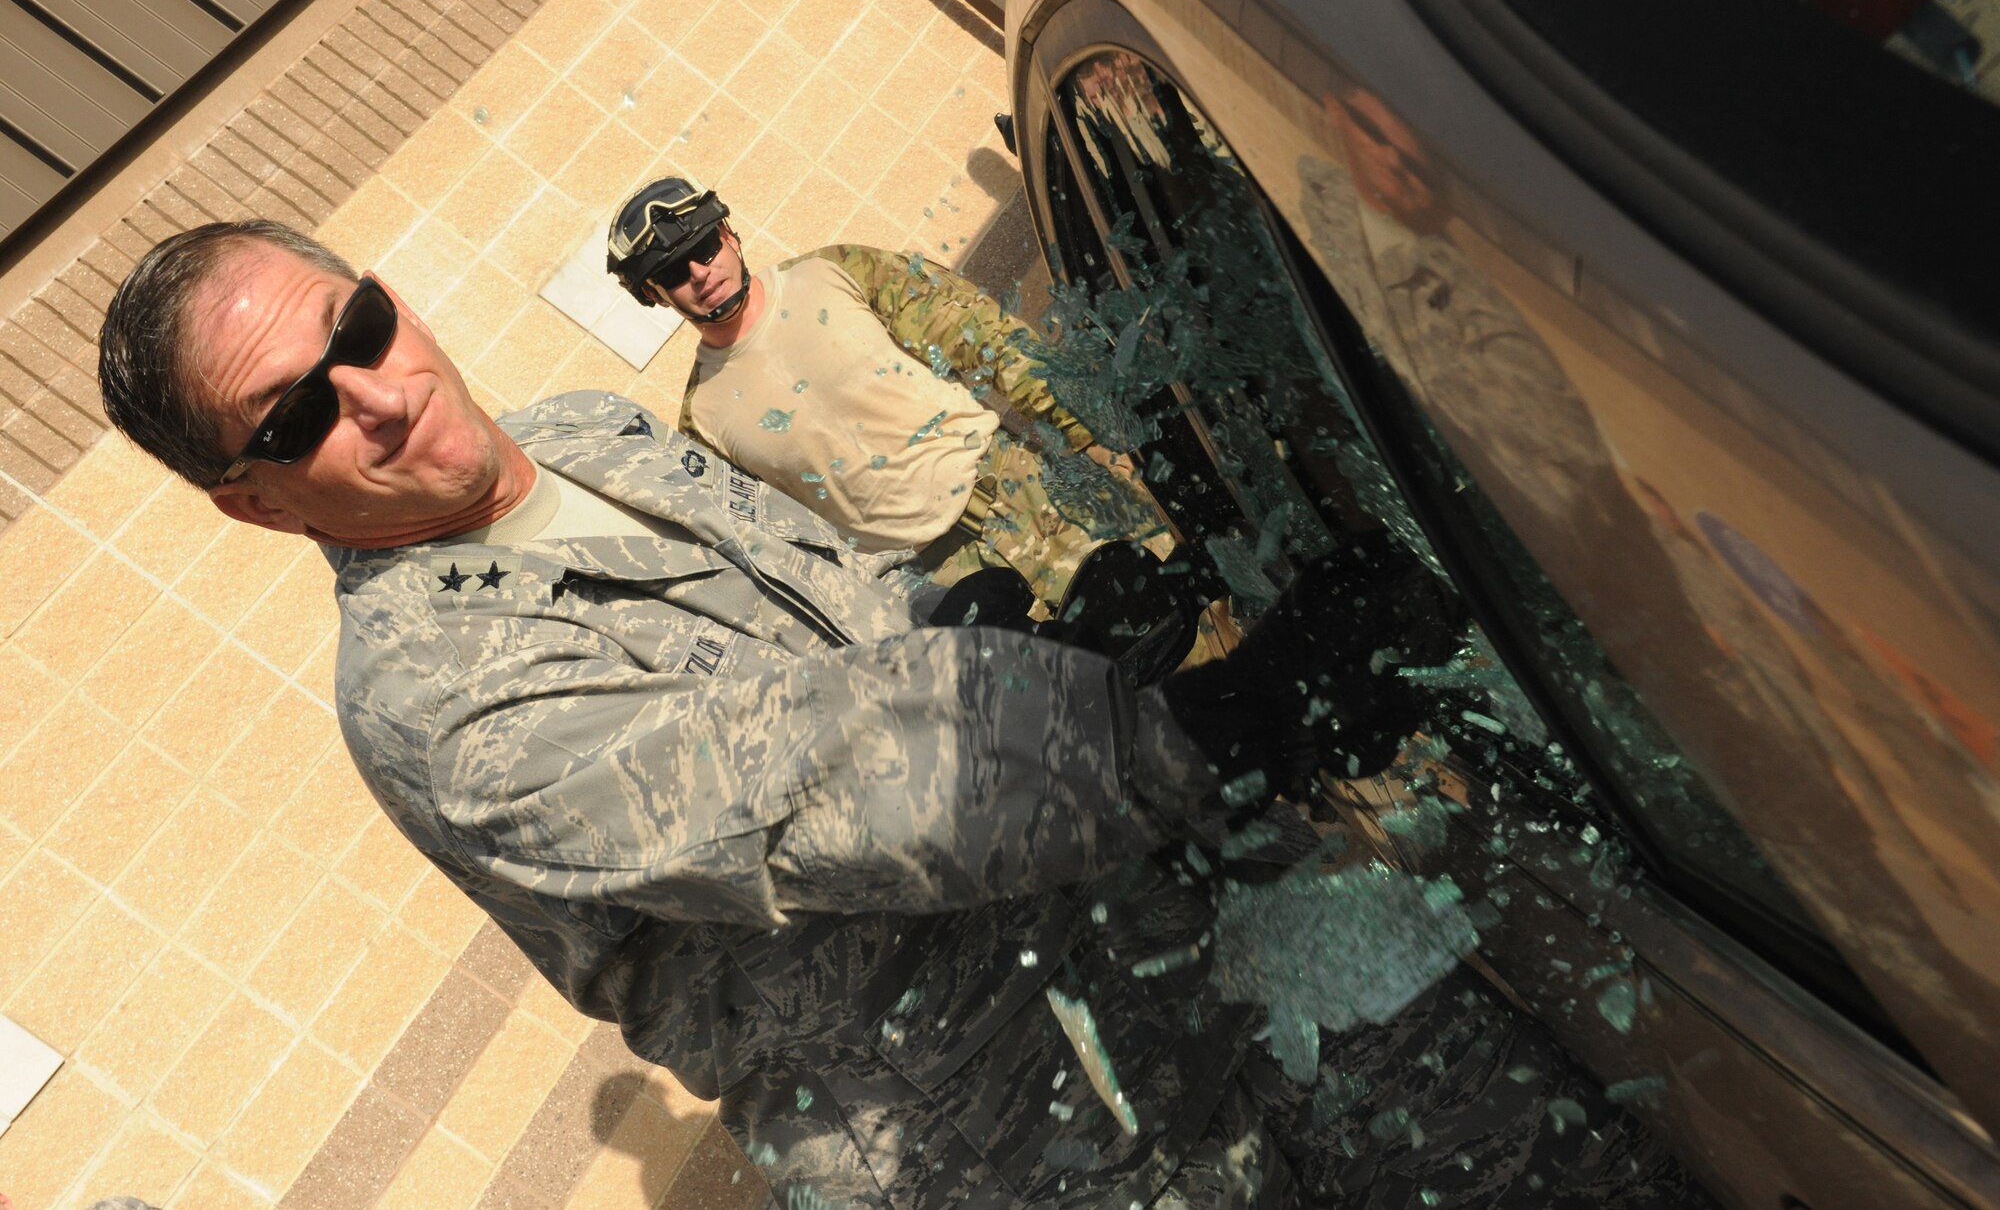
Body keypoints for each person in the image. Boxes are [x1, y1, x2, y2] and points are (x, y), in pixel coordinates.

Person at [96, 219, 1701, 1208]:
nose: (374, 394)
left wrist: (1043, 641)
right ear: (254, 505)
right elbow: (830, 776)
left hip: (1197, 925)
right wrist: (1223, 720)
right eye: (300, 412)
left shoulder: (589, 429)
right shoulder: (438, 705)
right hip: (1045, 1138)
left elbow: (851, 639)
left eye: (358, 328)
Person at [604, 176, 1194, 640]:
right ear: (654, 296)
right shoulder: (701, 423)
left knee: (1189, 613)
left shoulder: (836, 272)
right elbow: (777, 550)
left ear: (729, 234)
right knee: (1110, 718)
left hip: (1027, 491)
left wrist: (1100, 433)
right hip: (942, 585)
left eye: (704, 248)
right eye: (673, 274)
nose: (700, 273)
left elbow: (984, 339)